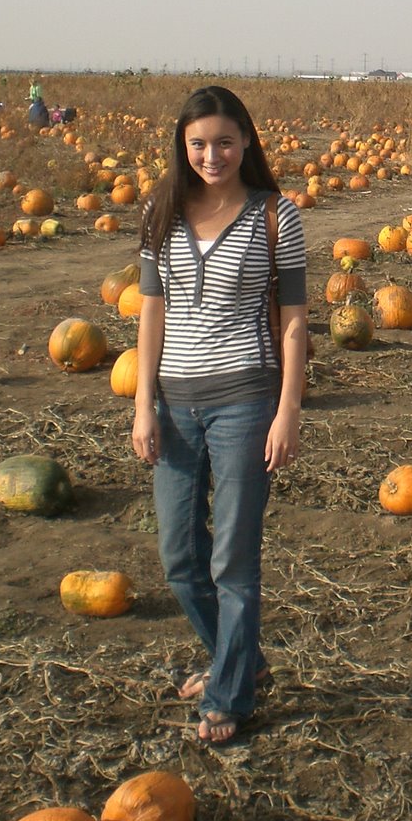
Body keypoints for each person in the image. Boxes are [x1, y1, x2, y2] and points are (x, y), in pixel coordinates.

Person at [133, 85, 308, 746]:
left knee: (233, 559)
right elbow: (152, 312)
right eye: (200, 142)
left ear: (247, 143)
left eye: (227, 142)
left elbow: (293, 322)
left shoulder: (275, 215)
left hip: (245, 400)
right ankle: (240, 659)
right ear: (183, 145)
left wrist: (288, 409)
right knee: (180, 557)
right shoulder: (160, 212)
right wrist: (142, 404)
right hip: (175, 404)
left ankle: (230, 692)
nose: (214, 154)